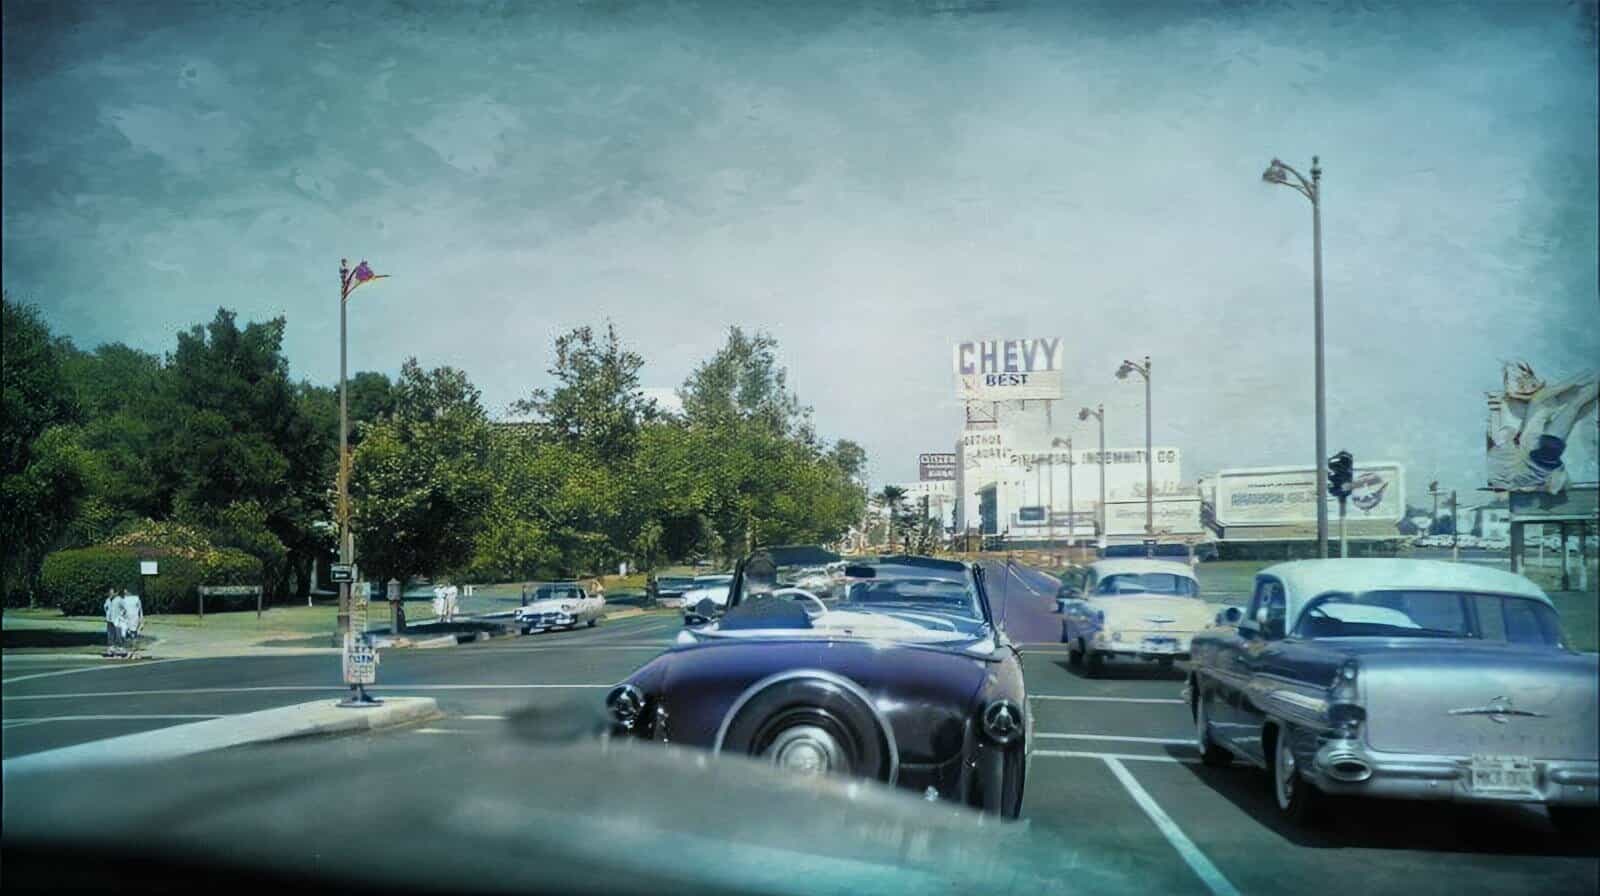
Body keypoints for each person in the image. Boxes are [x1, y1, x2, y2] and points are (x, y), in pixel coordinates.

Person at [121, 588, 143, 658]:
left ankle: (135, 652)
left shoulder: (136, 598)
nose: (125, 593)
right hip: (127, 620)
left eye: (126, 591)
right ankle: (130, 651)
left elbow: (140, 610)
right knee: (127, 636)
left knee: (134, 635)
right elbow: (123, 610)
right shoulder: (124, 599)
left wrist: (141, 621)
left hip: (134, 619)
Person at [103, 587, 120, 658]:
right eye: (110, 593)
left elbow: (124, 608)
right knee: (110, 635)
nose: (110, 594)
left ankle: (116, 652)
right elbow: (105, 607)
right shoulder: (108, 600)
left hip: (116, 620)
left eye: (112, 592)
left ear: (116, 593)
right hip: (109, 620)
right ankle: (110, 650)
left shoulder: (119, 600)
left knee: (116, 635)